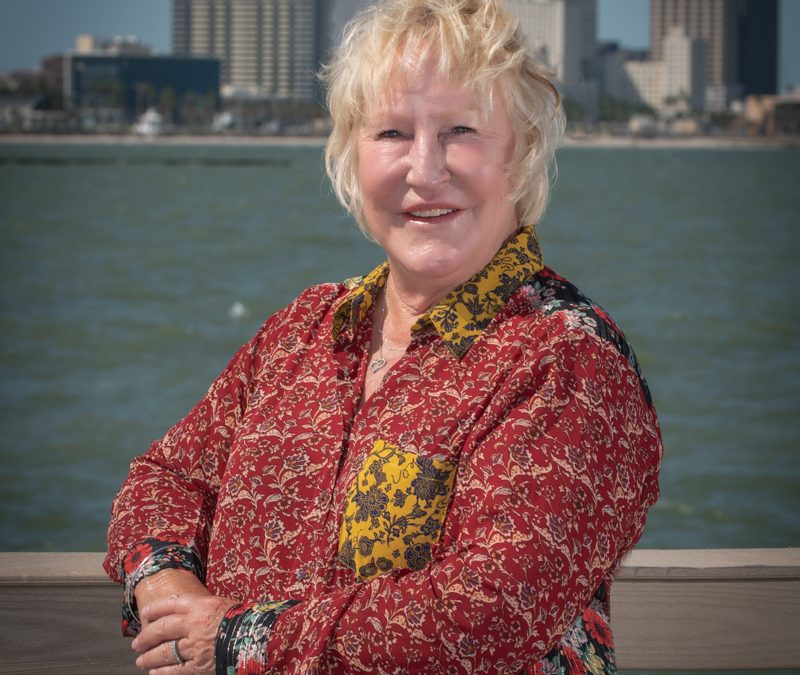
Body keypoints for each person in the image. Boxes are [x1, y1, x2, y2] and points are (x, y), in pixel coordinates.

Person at [105, 0, 663, 672]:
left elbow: (489, 613)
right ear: (352, 155)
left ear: (521, 153)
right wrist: (168, 594)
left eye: (461, 130)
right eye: (393, 133)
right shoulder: (305, 330)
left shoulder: (569, 358)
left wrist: (231, 641)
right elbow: (165, 477)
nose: (425, 170)